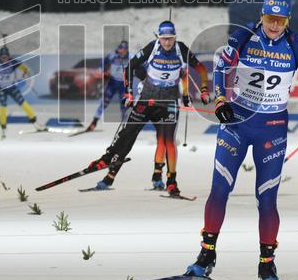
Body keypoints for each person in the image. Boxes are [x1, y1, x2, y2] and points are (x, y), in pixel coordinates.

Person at [185, 0, 298, 280]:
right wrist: (221, 101)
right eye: (269, 18)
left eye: (280, 19)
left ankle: (267, 263)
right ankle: (206, 254)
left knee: (267, 199)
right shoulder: (243, 37)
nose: (273, 24)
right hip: (237, 123)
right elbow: (222, 66)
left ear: (288, 20)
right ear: (261, 15)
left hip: (272, 127)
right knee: (219, 190)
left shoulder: (297, 44)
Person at [85, 20, 209, 196]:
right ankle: (108, 169)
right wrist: (128, 93)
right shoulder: (152, 48)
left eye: (170, 38)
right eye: (164, 38)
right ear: (159, 37)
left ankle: (171, 181)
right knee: (127, 134)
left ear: (175, 37)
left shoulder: (181, 50)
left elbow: (202, 70)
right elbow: (130, 67)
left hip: (168, 103)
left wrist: (203, 91)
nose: (167, 42)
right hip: (147, 100)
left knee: (167, 142)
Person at [0, 45, 39, 138]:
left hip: (12, 87)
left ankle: (35, 121)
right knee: (3, 107)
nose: (4, 59)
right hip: (1, 88)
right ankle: (3, 128)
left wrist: (24, 72)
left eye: (6, 56)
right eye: (2, 57)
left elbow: (25, 68)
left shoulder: (13, 62)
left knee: (23, 103)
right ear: (0, 56)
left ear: (8, 56)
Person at [85, 40, 130, 132]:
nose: (121, 52)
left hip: (123, 84)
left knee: (124, 106)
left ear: (127, 50)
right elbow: (103, 62)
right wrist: (104, 71)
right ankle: (94, 122)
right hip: (112, 82)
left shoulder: (131, 57)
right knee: (104, 103)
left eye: (124, 50)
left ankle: (125, 126)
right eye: (120, 50)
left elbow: (141, 63)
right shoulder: (113, 55)